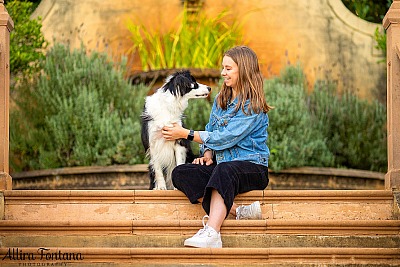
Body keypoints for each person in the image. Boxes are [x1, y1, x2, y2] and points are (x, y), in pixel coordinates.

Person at [161, 45, 272, 248]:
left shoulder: (252, 105)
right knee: (181, 173)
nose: (223, 73)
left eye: (228, 68)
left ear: (244, 69)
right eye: (223, 68)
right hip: (223, 167)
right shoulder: (222, 99)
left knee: (223, 169)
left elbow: (226, 138)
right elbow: (211, 129)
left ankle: (212, 233)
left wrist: (186, 134)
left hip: (252, 168)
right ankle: (238, 211)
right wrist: (208, 153)